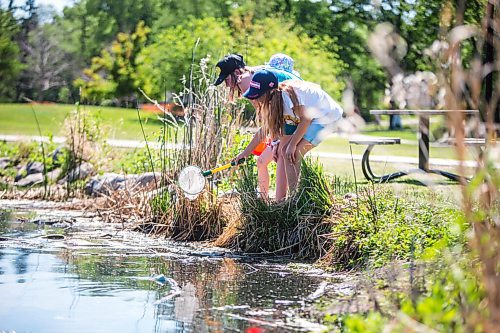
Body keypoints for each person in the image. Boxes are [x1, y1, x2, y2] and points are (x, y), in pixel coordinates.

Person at [235, 69, 343, 201]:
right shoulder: (273, 102)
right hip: (311, 118)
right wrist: (245, 153)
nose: (254, 99)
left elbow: (306, 119)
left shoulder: (286, 97)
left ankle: (294, 201)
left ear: (270, 91)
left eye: (257, 95)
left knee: (294, 153)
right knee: (285, 152)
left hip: (326, 116)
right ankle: (292, 198)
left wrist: (292, 145)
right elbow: (264, 131)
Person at [214, 53, 302, 198]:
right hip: (287, 118)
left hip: (295, 118)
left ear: (237, 72)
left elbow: (270, 117)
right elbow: (268, 118)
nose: (226, 84)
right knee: (262, 161)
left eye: (227, 79)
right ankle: (265, 200)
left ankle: (281, 205)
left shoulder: (246, 80)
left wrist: (275, 141)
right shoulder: (250, 76)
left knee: (280, 156)